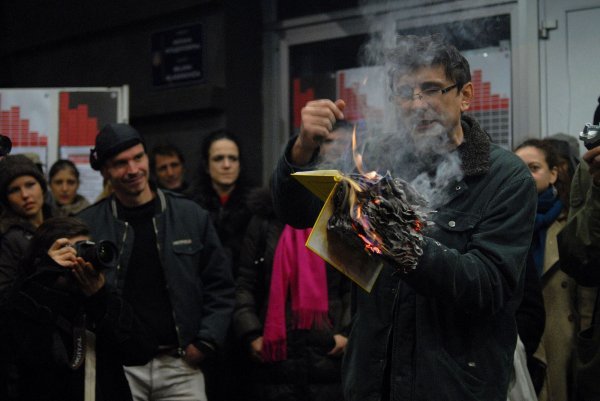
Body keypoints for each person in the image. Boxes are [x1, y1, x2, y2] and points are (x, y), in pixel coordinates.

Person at [271, 34, 537, 401]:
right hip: (373, 379)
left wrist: (401, 242)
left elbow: (487, 285)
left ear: (465, 95)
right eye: (404, 93)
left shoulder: (504, 177)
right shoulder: (379, 159)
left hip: (453, 385)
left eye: (431, 89)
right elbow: (295, 212)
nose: (417, 104)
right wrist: (303, 148)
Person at [77, 123, 234, 401]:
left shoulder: (190, 215)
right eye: (120, 163)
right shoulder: (88, 224)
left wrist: (206, 342)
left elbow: (220, 286)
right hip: (118, 367)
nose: (133, 169)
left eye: (138, 158)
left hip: (180, 363)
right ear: (105, 171)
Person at [0, 216, 157, 401]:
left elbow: (140, 352)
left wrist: (99, 298)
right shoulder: (25, 298)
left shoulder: (100, 298)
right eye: (70, 252)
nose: (80, 260)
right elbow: (19, 353)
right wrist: (45, 276)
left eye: (86, 248)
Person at [233, 187, 351, 401]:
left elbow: (351, 284)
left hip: (326, 354)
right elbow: (245, 283)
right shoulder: (265, 221)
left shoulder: (335, 218)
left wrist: (346, 332)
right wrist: (252, 334)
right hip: (275, 354)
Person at [515, 138, 596, 401]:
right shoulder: (506, 227)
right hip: (527, 348)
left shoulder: (571, 224)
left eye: (533, 167)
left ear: (553, 174)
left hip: (567, 345)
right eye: (517, 168)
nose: (525, 175)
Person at [191, 130, 254, 401]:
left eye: (233, 158)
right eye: (219, 158)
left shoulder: (257, 208)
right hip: (204, 317)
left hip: (247, 316)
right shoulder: (189, 210)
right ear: (207, 165)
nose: (227, 164)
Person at [0, 154, 61, 297]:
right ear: (6, 199)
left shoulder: (62, 221)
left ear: (42, 187)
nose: (25, 195)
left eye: (30, 185)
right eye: (14, 190)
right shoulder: (8, 238)